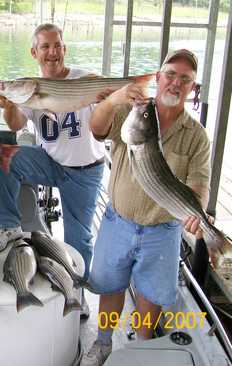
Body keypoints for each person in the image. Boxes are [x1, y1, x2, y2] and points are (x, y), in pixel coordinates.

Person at [80, 49, 211, 366]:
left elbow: (200, 184)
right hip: (118, 221)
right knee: (110, 288)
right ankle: (103, 341)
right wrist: (112, 100)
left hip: (163, 231)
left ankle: (142, 345)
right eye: (170, 74)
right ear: (158, 77)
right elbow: (96, 129)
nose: (175, 83)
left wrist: (198, 212)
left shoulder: (197, 137)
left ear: (192, 88)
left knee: (150, 296)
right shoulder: (134, 111)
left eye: (185, 79)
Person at [0, 23, 105, 315]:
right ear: (34, 52)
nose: (52, 53)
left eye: (57, 46)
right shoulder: (30, 87)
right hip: (51, 162)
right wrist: (7, 104)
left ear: (64, 49)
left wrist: (111, 96)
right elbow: (15, 125)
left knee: (79, 238)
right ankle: (8, 226)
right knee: (5, 156)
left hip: (85, 170)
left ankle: (77, 290)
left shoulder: (84, 79)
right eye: (45, 47)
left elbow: (106, 114)